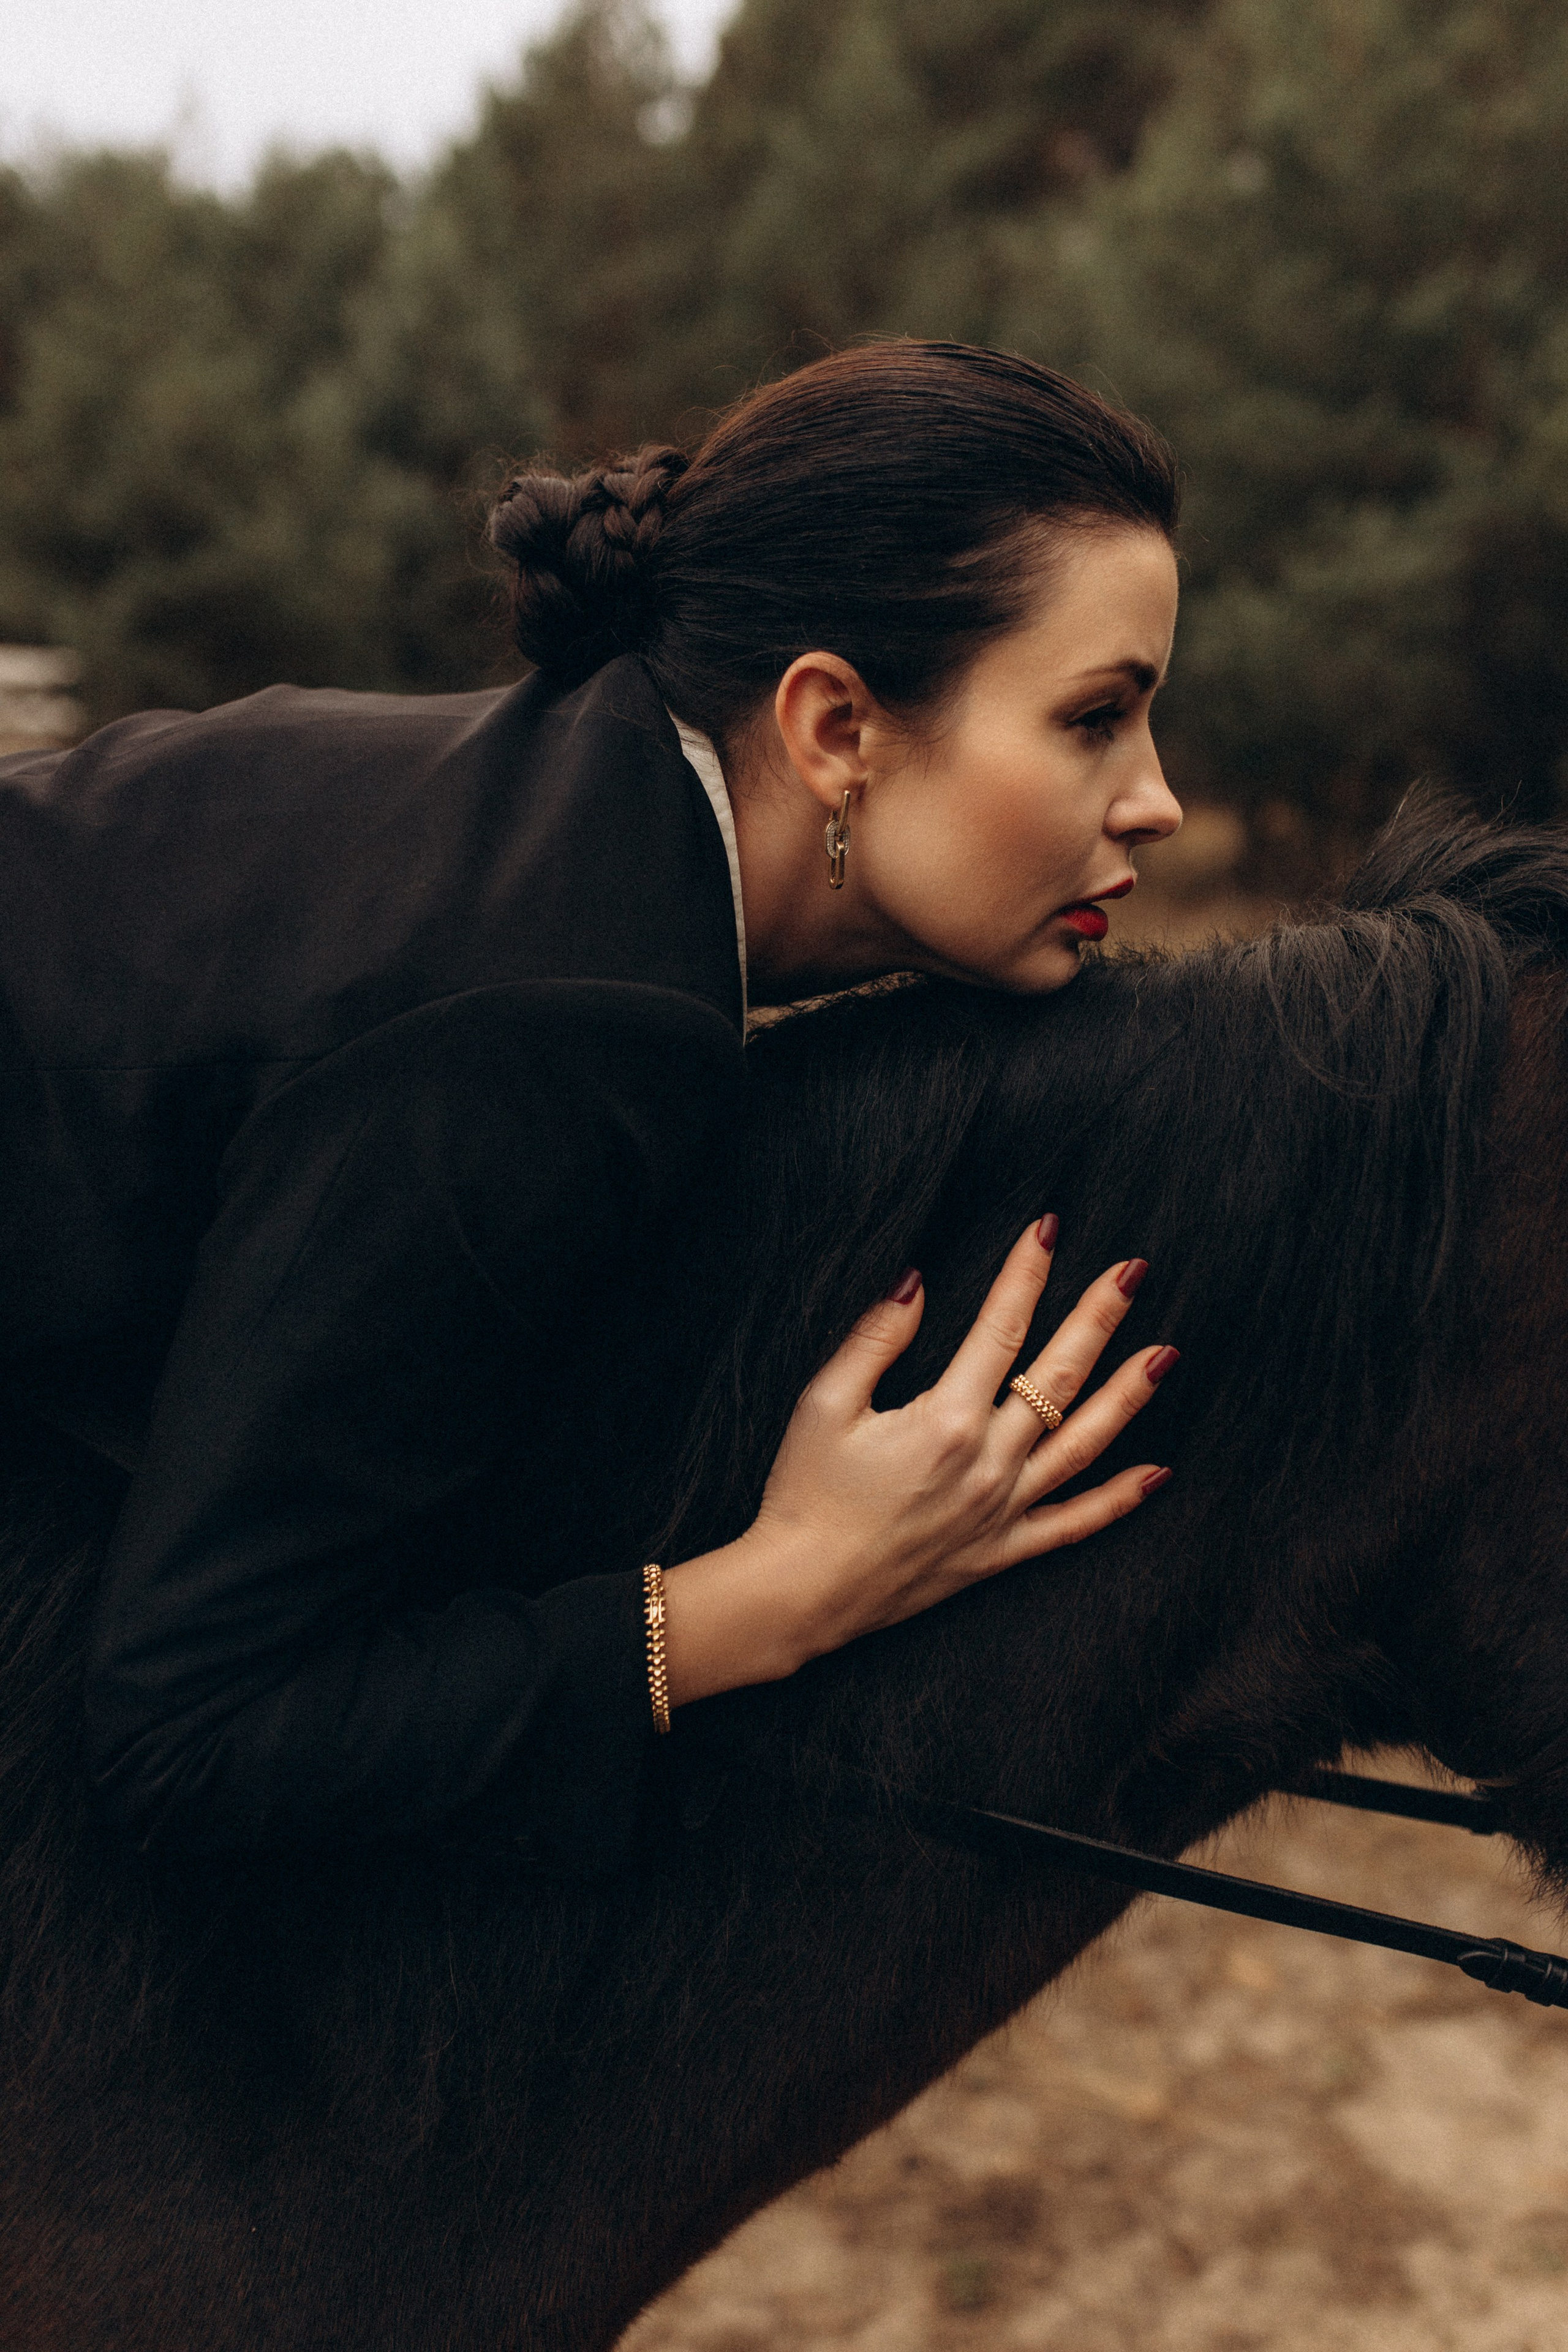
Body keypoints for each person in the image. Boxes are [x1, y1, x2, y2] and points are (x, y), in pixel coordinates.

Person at [0, 341, 1184, 1877]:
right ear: (834, 729)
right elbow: (192, 1733)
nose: (1156, 799)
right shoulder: (566, 1017)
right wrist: (781, 1594)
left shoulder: (578, 821)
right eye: (1093, 718)